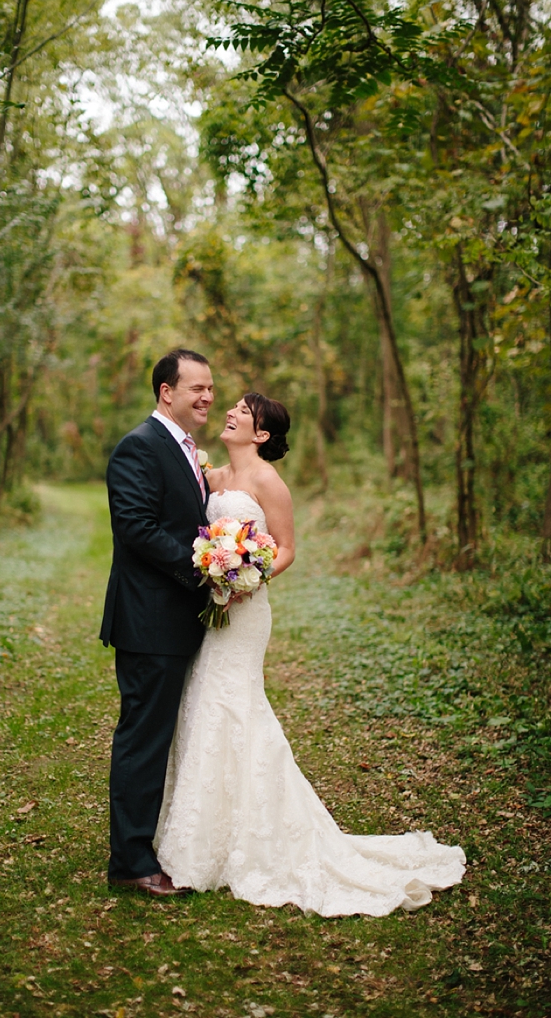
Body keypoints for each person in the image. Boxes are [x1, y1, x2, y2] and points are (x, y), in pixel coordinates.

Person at [155, 392, 466, 916]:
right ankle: (200, 832)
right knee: (203, 699)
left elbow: (287, 548)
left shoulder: (267, 483)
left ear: (261, 434)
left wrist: (246, 576)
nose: (228, 412)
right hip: (214, 605)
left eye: (241, 412)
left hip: (245, 610)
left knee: (234, 702)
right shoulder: (213, 478)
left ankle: (257, 837)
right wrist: (215, 572)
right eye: (228, 407)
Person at [100, 348, 214, 897]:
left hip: (179, 620)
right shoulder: (138, 447)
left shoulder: (189, 451)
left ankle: (155, 841)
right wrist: (204, 570)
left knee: (166, 734)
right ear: (167, 392)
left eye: (211, 388)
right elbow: (137, 528)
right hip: (149, 619)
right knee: (143, 738)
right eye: (197, 388)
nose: (208, 397)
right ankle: (131, 860)